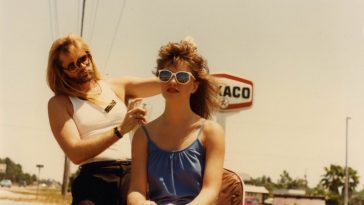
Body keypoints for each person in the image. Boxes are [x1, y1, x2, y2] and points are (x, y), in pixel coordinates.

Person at [46, 34, 160, 205]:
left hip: (131, 173)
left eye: (83, 59)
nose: (81, 66)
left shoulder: (116, 86)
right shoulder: (60, 103)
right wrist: (120, 130)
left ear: (89, 55)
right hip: (93, 178)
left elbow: (166, 84)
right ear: (62, 72)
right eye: (72, 66)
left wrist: (200, 75)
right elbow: (75, 153)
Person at [128, 37, 225, 205]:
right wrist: (141, 203)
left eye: (182, 77)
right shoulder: (142, 135)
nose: (172, 81)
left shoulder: (212, 132)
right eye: (165, 75)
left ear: (194, 86)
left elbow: (211, 191)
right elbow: (136, 190)